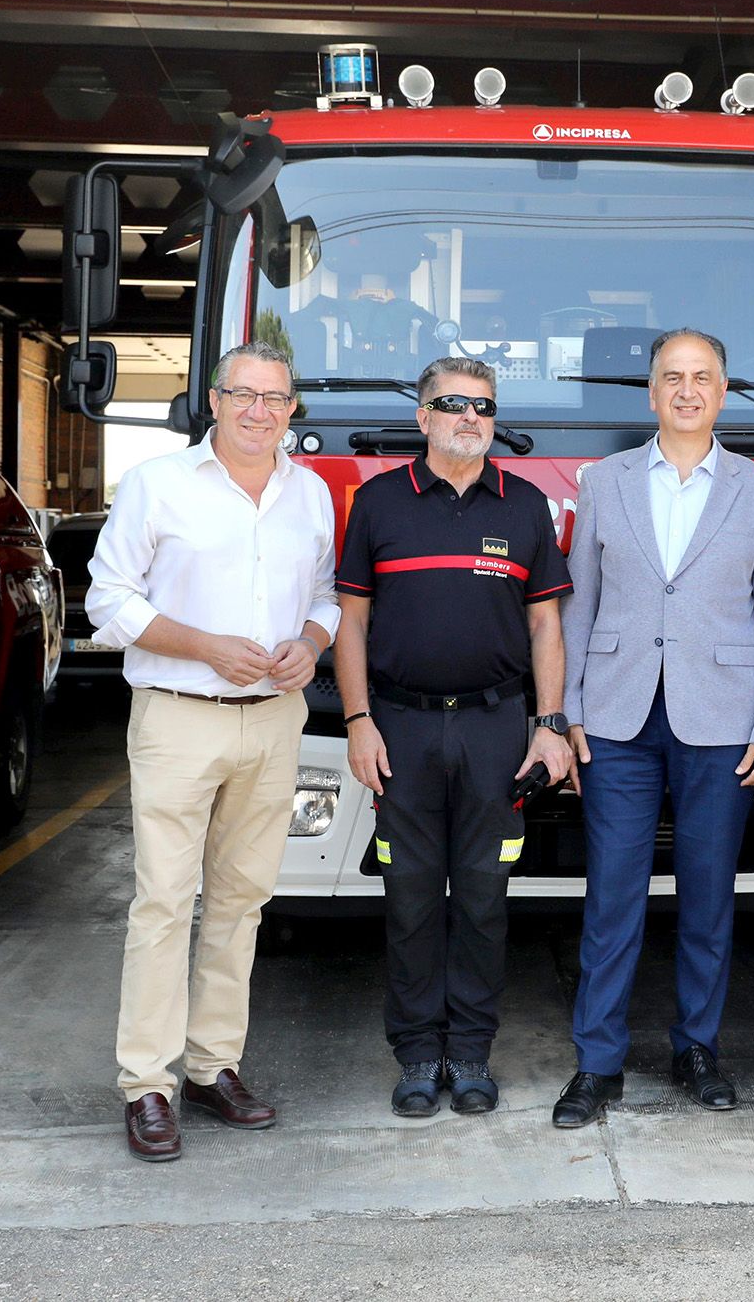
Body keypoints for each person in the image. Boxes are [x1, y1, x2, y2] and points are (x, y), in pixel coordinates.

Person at [87, 340, 339, 1163]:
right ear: (216, 401)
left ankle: (211, 1065)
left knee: (241, 901)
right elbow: (107, 599)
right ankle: (146, 1084)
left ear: (291, 410)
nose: (259, 411)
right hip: (179, 716)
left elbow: (327, 595)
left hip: (273, 719)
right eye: (244, 394)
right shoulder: (158, 483)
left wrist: (310, 642)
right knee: (164, 901)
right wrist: (203, 646)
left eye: (275, 398)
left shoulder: (308, 493)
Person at [553, 329, 754, 1128]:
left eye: (701, 377)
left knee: (707, 897)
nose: (686, 390)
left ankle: (697, 1048)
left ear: (722, 392)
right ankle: (597, 1061)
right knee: (611, 896)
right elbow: (577, 603)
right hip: (616, 717)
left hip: (722, 719)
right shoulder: (605, 482)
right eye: (672, 377)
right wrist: (568, 710)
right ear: (652, 392)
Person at [335, 357, 575, 1117]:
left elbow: (545, 624)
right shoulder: (378, 503)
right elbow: (351, 623)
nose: (471, 417)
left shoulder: (525, 505)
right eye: (453, 404)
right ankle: (416, 1054)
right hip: (399, 728)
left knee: (482, 900)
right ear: (422, 417)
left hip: (494, 730)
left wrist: (548, 724)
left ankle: (470, 1051)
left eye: (483, 406)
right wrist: (358, 720)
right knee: (409, 899)